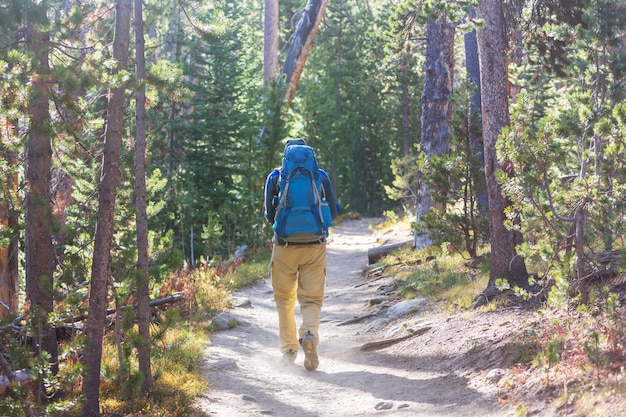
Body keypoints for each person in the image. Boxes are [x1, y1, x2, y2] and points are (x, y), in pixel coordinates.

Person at [264, 138, 339, 371]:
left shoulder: (276, 177)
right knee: (312, 299)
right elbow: (333, 210)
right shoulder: (320, 175)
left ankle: (288, 349)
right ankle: (308, 334)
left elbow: (269, 214)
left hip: (285, 246)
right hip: (314, 246)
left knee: (284, 300)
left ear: (285, 156)